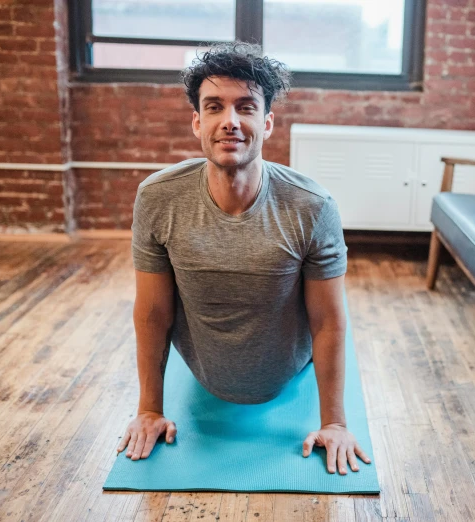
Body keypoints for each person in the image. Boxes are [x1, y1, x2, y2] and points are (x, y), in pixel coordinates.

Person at [116, 42, 371, 476]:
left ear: (267, 123)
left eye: (246, 107)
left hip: (287, 373)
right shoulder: (157, 197)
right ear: (198, 121)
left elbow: (328, 320)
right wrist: (148, 409)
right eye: (214, 107)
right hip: (202, 372)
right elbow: (154, 311)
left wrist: (334, 422)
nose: (229, 122)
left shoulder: (313, 206)